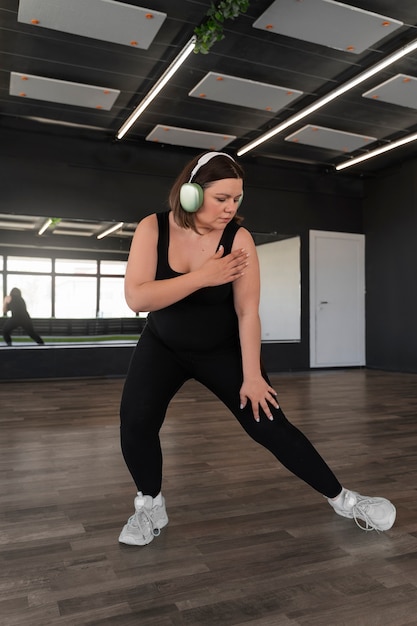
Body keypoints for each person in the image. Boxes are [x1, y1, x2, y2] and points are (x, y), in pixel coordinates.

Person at [119, 151, 396, 546]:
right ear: (191, 195)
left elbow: (248, 312)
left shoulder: (238, 239)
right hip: (162, 344)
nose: (230, 208)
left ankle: (345, 500)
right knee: (136, 421)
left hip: (222, 349)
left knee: (269, 424)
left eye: (237, 199)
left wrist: (251, 376)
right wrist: (204, 276)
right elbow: (138, 298)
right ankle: (150, 505)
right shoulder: (153, 228)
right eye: (221, 199)